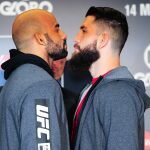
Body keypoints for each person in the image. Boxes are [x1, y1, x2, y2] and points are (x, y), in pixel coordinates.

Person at [69, 6, 150, 150]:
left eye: (84, 31)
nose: (76, 38)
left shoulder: (119, 94)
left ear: (102, 40)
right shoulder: (92, 89)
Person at [0, 9, 70, 150]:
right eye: (56, 29)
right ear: (40, 39)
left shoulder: (14, 79)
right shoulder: (41, 85)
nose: (63, 35)